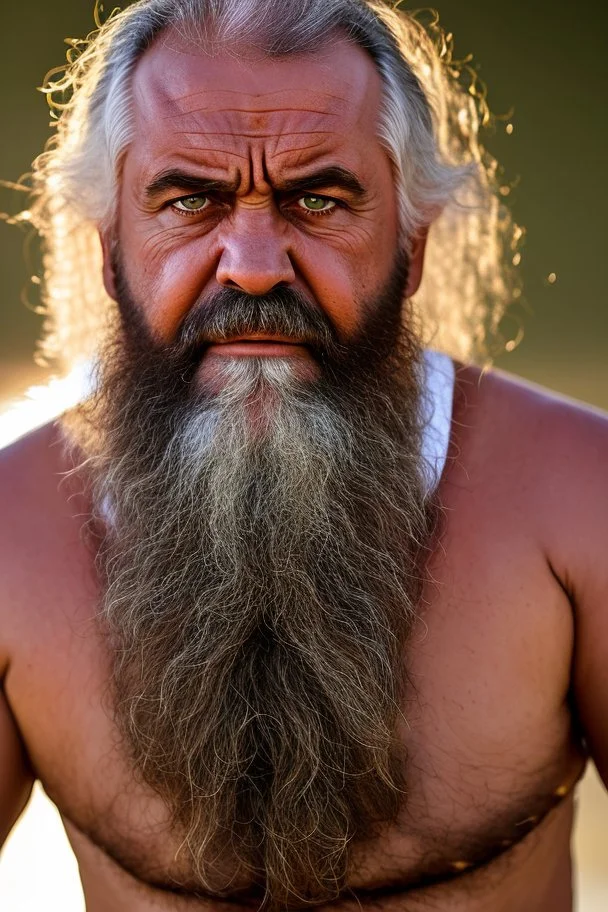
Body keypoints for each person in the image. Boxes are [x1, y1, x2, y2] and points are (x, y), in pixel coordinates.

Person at [0, 0, 606, 909]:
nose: (251, 262)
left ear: (414, 239)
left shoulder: (579, 499)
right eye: (190, 199)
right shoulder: (11, 543)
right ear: (107, 247)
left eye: (318, 199)